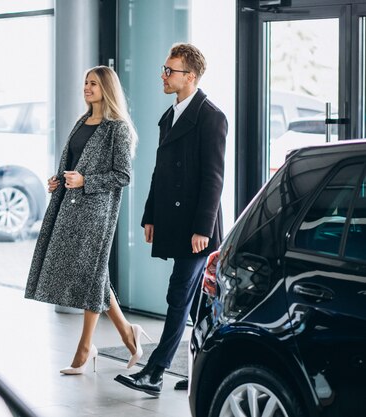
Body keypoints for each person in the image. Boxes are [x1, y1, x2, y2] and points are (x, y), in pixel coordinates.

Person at [114, 43, 227, 396]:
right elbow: (160, 172)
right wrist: (151, 215)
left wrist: (202, 228)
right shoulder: (170, 115)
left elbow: (214, 178)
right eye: (164, 69)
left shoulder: (211, 117)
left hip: (197, 227)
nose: (163, 76)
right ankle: (201, 374)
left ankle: (155, 371)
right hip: (173, 220)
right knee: (197, 303)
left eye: (170, 71)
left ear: (190, 77)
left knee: (179, 295)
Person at [25, 66, 151, 375]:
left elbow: (123, 175)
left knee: (92, 272)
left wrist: (86, 181)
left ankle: (85, 347)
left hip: (96, 213)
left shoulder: (117, 128)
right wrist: (58, 179)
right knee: (93, 273)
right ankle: (127, 335)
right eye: (85, 82)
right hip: (68, 207)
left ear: (106, 88)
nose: (86, 88)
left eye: (93, 83)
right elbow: (72, 164)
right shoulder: (82, 121)